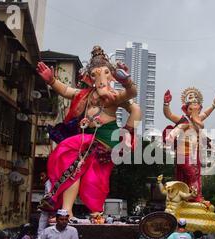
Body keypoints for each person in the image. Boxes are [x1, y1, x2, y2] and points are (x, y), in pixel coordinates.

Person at [36, 46, 141, 220]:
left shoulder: (114, 96)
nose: (101, 78)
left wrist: (127, 82)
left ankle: (96, 213)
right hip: (86, 138)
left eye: (106, 72)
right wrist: (51, 81)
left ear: (111, 75)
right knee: (72, 167)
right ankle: (66, 211)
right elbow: (65, 90)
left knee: (95, 179)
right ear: (89, 77)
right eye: (95, 74)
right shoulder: (84, 94)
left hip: (106, 141)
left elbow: (133, 96)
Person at [162, 88, 215, 203]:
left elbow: (206, 114)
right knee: (193, 174)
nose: (194, 111)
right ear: (186, 110)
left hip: (194, 154)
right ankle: (195, 197)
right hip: (183, 153)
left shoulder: (197, 119)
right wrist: (166, 103)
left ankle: (191, 197)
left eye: (197, 109)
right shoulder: (183, 120)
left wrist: (214, 105)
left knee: (196, 175)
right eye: (191, 108)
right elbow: (168, 114)